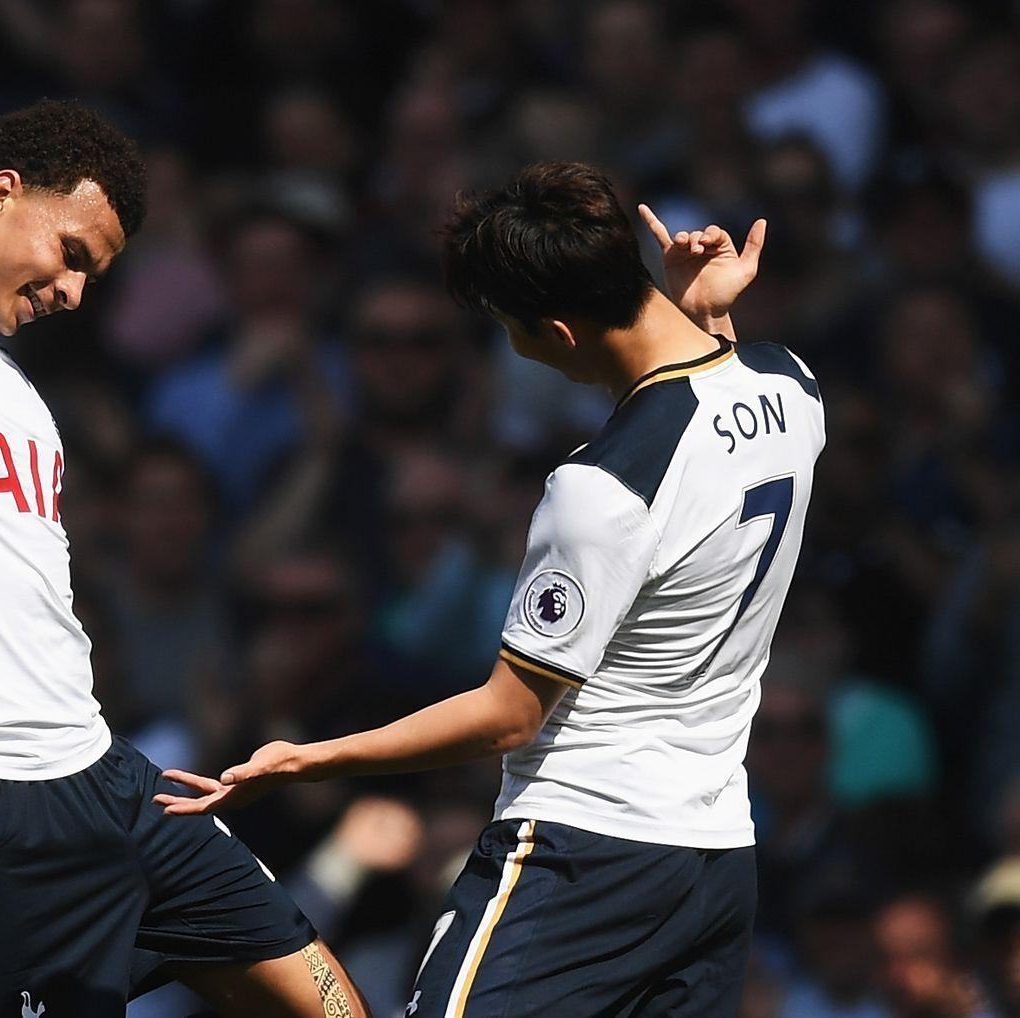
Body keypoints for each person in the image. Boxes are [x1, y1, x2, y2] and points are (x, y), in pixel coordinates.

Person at [157, 161, 826, 1016]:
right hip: (716, 860)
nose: (514, 349)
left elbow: (510, 714)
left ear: (557, 328)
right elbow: (718, 410)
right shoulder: (791, 385)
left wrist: (307, 760)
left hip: (583, 857)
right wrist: (707, 315)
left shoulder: (601, 489)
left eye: (512, 328)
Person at [0, 99, 367, 1018]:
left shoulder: (5, 370)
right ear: (1, 195)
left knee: (326, 1000)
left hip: (98, 774)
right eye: (73, 254)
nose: (75, 292)